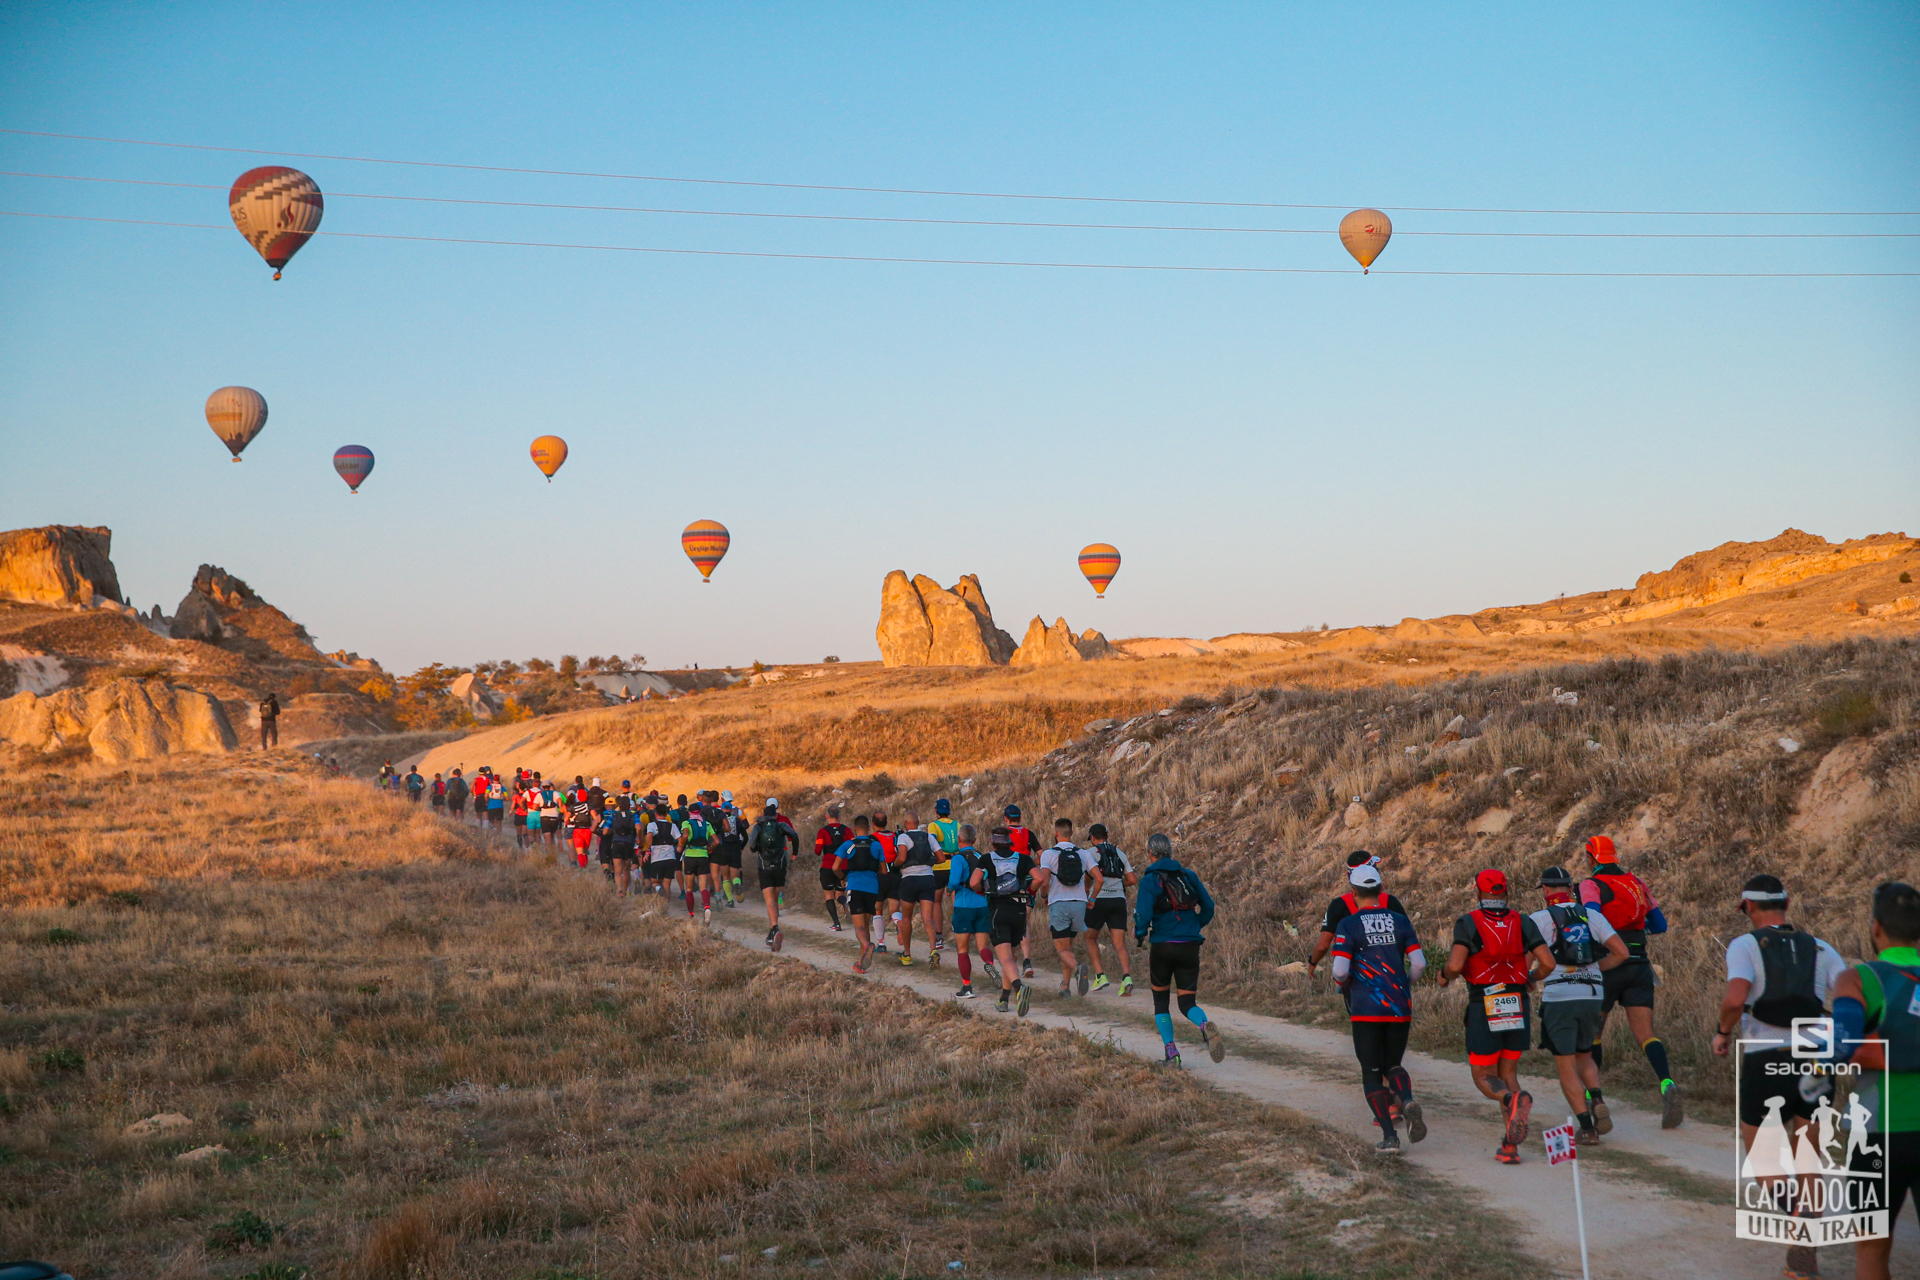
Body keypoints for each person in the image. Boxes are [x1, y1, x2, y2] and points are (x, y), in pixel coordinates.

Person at [1711, 872, 1847, 1280]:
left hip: (1765, 1057)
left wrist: (1722, 1033)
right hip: (1817, 1059)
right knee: (1810, 1156)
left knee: (1763, 1156)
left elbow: (1736, 997)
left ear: (1748, 907)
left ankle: (1801, 1222)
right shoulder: (1823, 948)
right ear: (1786, 904)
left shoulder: (1744, 945)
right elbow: (1846, 998)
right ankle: (1805, 1248)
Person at [1829, 882, 1920, 1280]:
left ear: (1875, 928)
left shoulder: (1856, 978)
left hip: (1877, 1133)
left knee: (1870, 1248)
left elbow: (1841, 1043)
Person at [1441, 868, 1555, 1165]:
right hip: (1517, 1000)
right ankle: (1509, 1146)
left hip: (1484, 1002)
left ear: (1478, 893)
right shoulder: (1524, 922)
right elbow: (1548, 963)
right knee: (1509, 1075)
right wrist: (1531, 978)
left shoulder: (1468, 923)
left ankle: (1510, 1100)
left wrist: (1443, 975)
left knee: (1483, 1076)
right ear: (1505, 892)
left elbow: (1455, 965)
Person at [1577, 835, 1680, 1127]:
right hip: (1639, 966)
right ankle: (1667, 1083)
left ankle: (1593, 1097)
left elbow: (1592, 918)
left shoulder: (1591, 885)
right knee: (1646, 1034)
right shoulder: (1636, 883)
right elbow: (1660, 925)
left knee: (1595, 1034)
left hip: (1608, 965)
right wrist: (1635, 929)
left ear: (1591, 857)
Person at [1330, 863, 1427, 1153]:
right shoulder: (1400, 921)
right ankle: (1406, 1099)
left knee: (1372, 1072)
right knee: (1393, 1064)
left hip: (1366, 1008)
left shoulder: (1348, 924)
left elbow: (1339, 969)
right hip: (1399, 1006)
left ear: (1353, 892)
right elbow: (1419, 963)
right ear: (1381, 890)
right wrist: (1405, 984)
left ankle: (1390, 1137)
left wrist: (1345, 982)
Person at [1530, 866, 1630, 1145]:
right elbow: (1622, 952)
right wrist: (1595, 968)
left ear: (1546, 890)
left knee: (1565, 1066)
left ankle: (1587, 1127)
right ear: (1571, 888)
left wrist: (1531, 980)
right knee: (1584, 1055)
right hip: (1593, 993)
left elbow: (1527, 965)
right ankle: (1596, 1097)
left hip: (1559, 996)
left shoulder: (1537, 919)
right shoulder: (1592, 915)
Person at [1134, 833, 1222, 1066]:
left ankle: (1172, 1054)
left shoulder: (1149, 880)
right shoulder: (1188, 876)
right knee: (1187, 1004)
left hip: (1162, 946)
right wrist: (1194, 926)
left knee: (1161, 1003)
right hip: (1189, 946)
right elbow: (1209, 906)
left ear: (1150, 853)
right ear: (1171, 852)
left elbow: (1142, 914)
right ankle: (1204, 1025)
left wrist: (1140, 933)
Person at [1309, 851, 1408, 976]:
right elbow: (1406, 938)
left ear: (1348, 876)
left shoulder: (1339, 905)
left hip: (1356, 981)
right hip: (1392, 977)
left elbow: (1322, 946)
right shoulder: (1391, 902)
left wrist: (1312, 963)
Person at [974, 827, 1037, 1015]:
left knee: (1005, 959)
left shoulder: (986, 859)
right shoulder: (1023, 859)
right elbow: (1040, 878)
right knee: (1011, 957)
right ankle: (1003, 999)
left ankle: (1019, 988)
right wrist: (1029, 891)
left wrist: (982, 890)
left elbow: (972, 882)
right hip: (1018, 910)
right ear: (1010, 842)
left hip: (998, 909)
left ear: (992, 842)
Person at [1036, 818, 1093, 997]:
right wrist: (1091, 897)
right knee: (1067, 948)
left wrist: (1044, 896)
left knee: (1062, 949)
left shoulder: (1048, 854)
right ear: (1072, 833)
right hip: (1079, 904)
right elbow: (1098, 878)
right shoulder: (1083, 853)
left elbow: (1044, 881)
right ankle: (1065, 987)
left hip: (1059, 903)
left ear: (1056, 833)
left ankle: (1078, 969)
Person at [1082, 823, 1135, 995]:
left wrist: (1088, 894)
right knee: (1119, 943)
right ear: (1107, 836)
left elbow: (1087, 878)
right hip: (1118, 900)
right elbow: (1132, 879)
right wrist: (1119, 885)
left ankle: (1100, 976)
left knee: (1090, 938)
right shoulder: (1119, 853)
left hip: (1098, 900)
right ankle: (1126, 977)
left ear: (1092, 838)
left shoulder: (1089, 854)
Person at [830, 815, 887, 974]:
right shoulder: (876, 845)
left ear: (854, 828)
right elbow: (884, 870)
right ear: (869, 827)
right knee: (866, 925)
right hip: (872, 888)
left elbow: (835, 867)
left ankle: (868, 945)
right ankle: (862, 963)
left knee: (858, 927)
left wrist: (843, 877)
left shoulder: (848, 845)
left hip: (855, 886)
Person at [891, 811, 942, 967]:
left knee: (906, 918)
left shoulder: (903, 837)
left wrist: (894, 865)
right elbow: (941, 858)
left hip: (910, 879)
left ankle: (907, 955)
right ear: (918, 821)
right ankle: (934, 950)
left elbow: (902, 857)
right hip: (928, 878)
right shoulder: (928, 837)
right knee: (928, 918)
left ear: (906, 823)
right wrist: (928, 862)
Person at [947, 824, 992, 1000]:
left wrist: (949, 891)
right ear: (975, 840)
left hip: (964, 906)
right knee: (983, 947)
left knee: (963, 949)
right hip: (982, 905)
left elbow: (953, 881)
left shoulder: (958, 858)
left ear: (959, 840)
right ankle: (989, 964)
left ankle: (967, 987)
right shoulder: (981, 856)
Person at [748, 800, 799, 951]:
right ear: (775, 815)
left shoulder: (758, 826)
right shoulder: (781, 825)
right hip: (780, 864)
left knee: (769, 900)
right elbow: (794, 836)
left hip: (764, 865)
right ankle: (772, 932)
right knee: (775, 899)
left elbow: (751, 846)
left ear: (763, 815)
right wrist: (794, 852)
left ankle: (775, 928)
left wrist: (759, 849)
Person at [1003, 805, 1041, 978]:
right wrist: (1029, 863)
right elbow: (1042, 855)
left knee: (1009, 921)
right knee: (1024, 922)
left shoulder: (1003, 835)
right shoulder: (1029, 834)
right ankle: (1027, 961)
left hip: (1008, 883)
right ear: (1020, 817)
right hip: (1026, 882)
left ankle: (1011, 959)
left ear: (1006, 819)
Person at [813, 804, 853, 932]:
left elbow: (817, 851)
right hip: (844, 867)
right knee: (839, 893)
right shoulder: (847, 830)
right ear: (839, 816)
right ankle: (845, 901)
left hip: (828, 867)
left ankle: (836, 923)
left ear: (826, 816)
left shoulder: (822, 831)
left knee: (829, 895)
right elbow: (853, 847)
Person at [929, 798, 960, 952]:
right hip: (955, 864)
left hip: (939, 865)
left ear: (936, 811)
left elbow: (932, 842)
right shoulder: (957, 825)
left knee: (936, 901)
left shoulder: (933, 826)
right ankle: (957, 923)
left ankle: (939, 935)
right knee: (956, 895)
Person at [679, 801, 718, 923]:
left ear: (689, 813)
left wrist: (681, 845)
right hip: (703, 856)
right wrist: (710, 848)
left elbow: (685, 835)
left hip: (690, 855)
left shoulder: (687, 823)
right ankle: (706, 906)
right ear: (700, 812)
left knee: (689, 888)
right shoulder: (707, 824)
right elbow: (716, 841)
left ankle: (691, 914)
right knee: (703, 886)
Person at [712, 790, 747, 907]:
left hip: (724, 849)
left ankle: (730, 901)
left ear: (722, 810)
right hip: (736, 848)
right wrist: (741, 846)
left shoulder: (719, 821)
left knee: (725, 876)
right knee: (735, 875)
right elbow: (745, 836)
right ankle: (737, 884)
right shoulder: (737, 819)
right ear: (731, 810)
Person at [871, 810, 900, 954]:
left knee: (877, 910)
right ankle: (898, 923)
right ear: (887, 822)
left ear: (873, 824)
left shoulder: (872, 838)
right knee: (894, 909)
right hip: (895, 874)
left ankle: (881, 944)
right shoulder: (895, 836)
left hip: (879, 875)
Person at [642, 801, 680, 894]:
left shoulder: (652, 825)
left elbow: (649, 835)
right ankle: (666, 906)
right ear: (667, 814)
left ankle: (659, 889)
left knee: (655, 882)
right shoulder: (673, 826)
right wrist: (679, 847)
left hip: (657, 857)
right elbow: (680, 839)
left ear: (656, 814)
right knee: (667, 885)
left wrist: (648, 850)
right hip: (671, 857)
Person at [605, 796, 639, 896]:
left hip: (616, 843)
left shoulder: (614, 815)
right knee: (627, 870)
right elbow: (639, 827)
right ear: (629, 805)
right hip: (629, 843)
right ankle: (624, 890)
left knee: (617, 870)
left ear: (618, 805)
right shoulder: (634, 815)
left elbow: (605, 830)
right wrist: (638, 837)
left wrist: (612, 832)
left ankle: (620, 891)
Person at [567, 785, 596, 869]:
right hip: (587, 830)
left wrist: (570, 821)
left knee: (579, 852)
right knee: (585, 852)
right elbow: (594, 817)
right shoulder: (589, 806)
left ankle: (582, 868)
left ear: (578, 797)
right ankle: (585, 866)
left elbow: (566, 818)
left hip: (577, 830)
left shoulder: (573, 807)